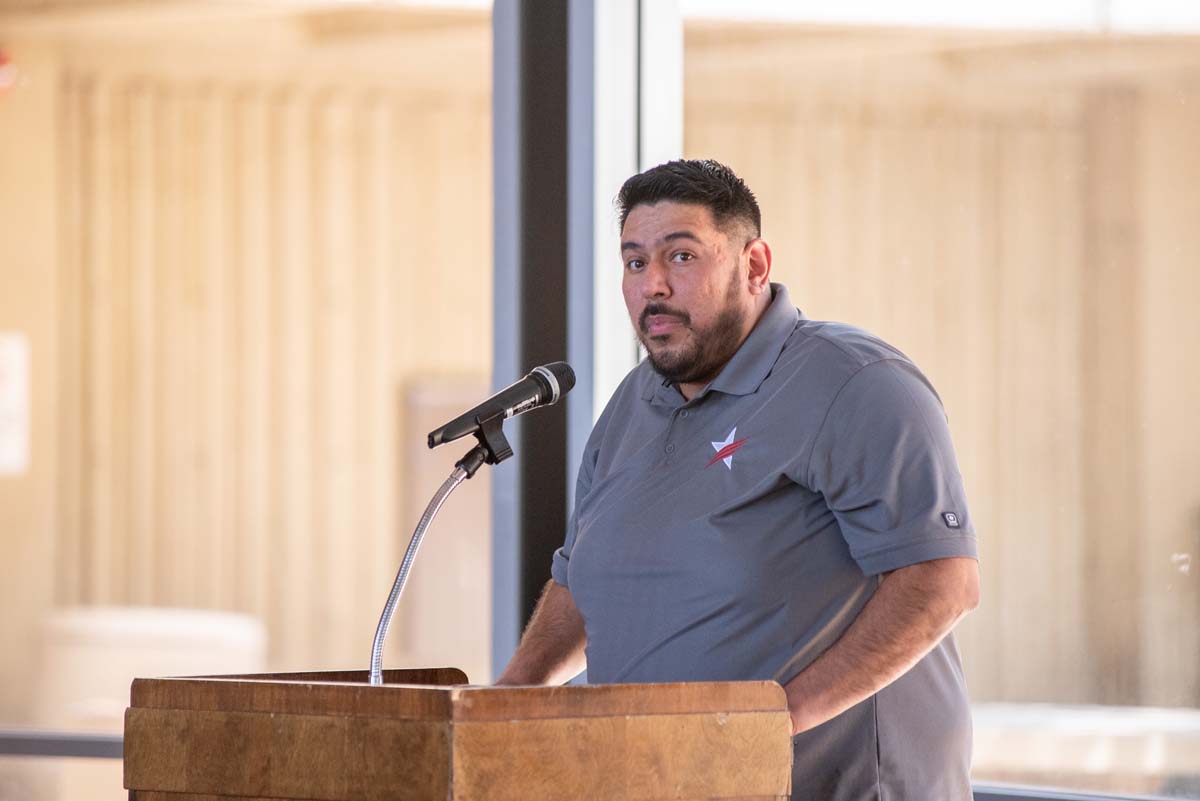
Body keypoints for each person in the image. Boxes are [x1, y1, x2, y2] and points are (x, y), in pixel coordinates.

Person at [496, 159, 980, 801]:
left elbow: (942, 583)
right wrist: (506, 703)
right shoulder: (632, 404)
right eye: (635, 262)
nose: (654, 286)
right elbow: (580, 579)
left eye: (683, 257)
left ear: (754, 266)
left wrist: (769, 724)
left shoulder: (855, 382)